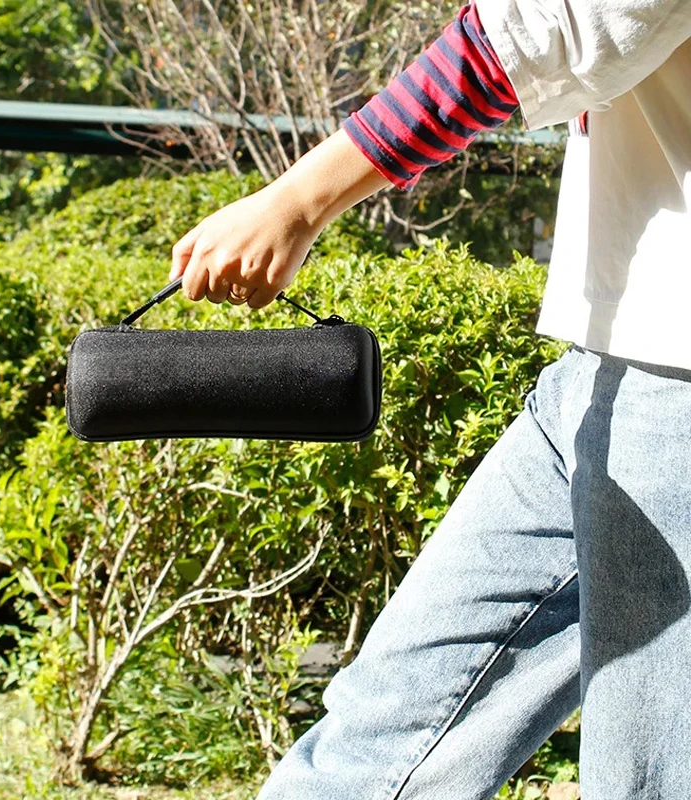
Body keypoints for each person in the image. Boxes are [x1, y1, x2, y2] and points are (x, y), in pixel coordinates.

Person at [169, 1, 691, 797]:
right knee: (379, 736)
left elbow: (538, 34)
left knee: (643, 772)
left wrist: (295, 204)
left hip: (674, 376)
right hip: (609, 359)